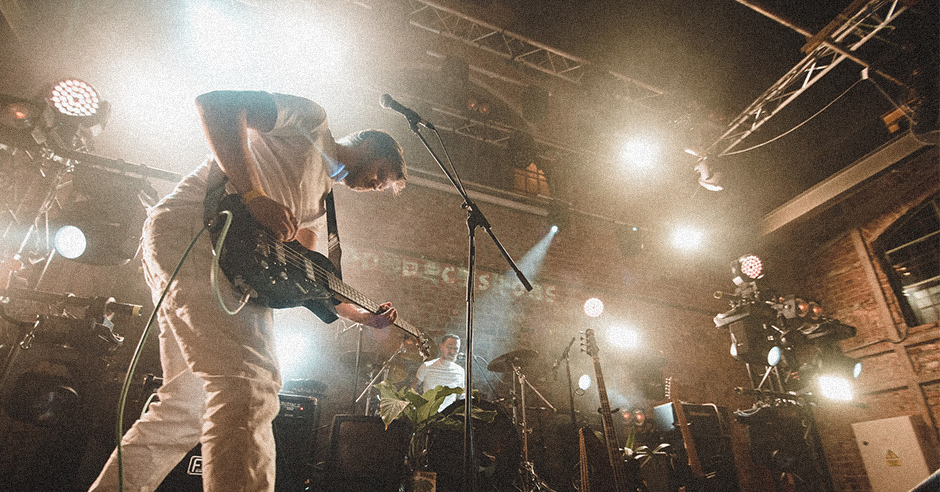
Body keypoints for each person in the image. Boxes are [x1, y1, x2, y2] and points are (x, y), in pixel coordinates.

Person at [89, 90, 407, 492]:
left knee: (188, 405)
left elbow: (306, 278)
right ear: (371, 144)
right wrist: (255, 196)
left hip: (222, 261)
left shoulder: (320, 205)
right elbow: (218, 105)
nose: (377, 185)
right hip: (200, 233)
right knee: (251, 384)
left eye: (383, 187)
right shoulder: (313, 123)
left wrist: (361, 316)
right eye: (383, 173)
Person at [412, 334, 465, 412]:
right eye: (449, 347)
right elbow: (413, 390)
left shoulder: (460, 371)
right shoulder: (426, 366)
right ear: (441, 347)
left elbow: (461, 396)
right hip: (429, 414)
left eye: (456, 348)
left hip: (450, 415)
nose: (452, 351)